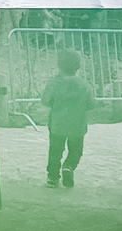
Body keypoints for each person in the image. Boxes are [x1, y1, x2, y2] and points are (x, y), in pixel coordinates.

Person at [41, 49, 97, 189]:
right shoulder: (83, 84)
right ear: (78, 66)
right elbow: (91, 104)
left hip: (57, 124)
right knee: (76, 150)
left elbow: (45, 101)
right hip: (77, 124)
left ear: (59, 65)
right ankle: (69, 167)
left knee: (55, 150)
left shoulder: (54, 83)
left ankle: (52, 177)